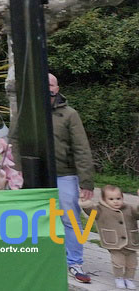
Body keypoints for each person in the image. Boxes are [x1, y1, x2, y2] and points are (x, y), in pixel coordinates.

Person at [49, 73, 96, 284]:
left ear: (57, 89)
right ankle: (43, 258)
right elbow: (15, 139)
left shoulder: (69, 114)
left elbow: (81, 148)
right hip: (37, 175)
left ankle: (74, 262)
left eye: (50, 84)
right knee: (39, 218)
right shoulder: (28, 112)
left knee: (70, 219)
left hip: (64, 175)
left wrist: (86, 181)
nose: (46, 87)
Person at [80, 184, 139, 289]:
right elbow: (90, 210)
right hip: (114, 243)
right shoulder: (100, 210)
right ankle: (119, 278)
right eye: (111, 199)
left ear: (122, 198)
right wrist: (85, 202)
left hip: (131, 242)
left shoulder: (129, 209)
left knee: (132, 263)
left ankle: (129, 279)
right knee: (118, 262)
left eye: (118, 198)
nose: (115, 201)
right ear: (104, 200)